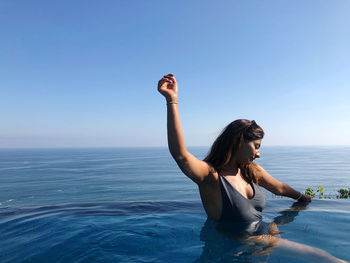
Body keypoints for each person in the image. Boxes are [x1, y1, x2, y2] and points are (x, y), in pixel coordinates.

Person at [157, 73, 347, 263]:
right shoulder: (211, 177)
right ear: (238, 141)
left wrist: (302, 198)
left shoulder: (251, 171)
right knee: (319, 256)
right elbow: (181, 155)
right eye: (256, 146)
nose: (258, 153)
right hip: (232, 251)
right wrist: (172, 101)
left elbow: (279, 188)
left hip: (261, 244)